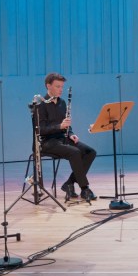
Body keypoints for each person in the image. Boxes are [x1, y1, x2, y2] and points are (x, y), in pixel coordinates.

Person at [36, 72, 97, 202]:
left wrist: (71, 134)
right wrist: (59, 126)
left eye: (62, 87)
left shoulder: (62, 103)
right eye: (57, 86)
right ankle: (84, 188)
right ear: (48, 86)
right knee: (74, 152)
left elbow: (66, 125)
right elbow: (40, 129)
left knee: (90, 152)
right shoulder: (40, 104)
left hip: (62, 138)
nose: (61, 90)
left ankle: (69, 183)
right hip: (47, 142)